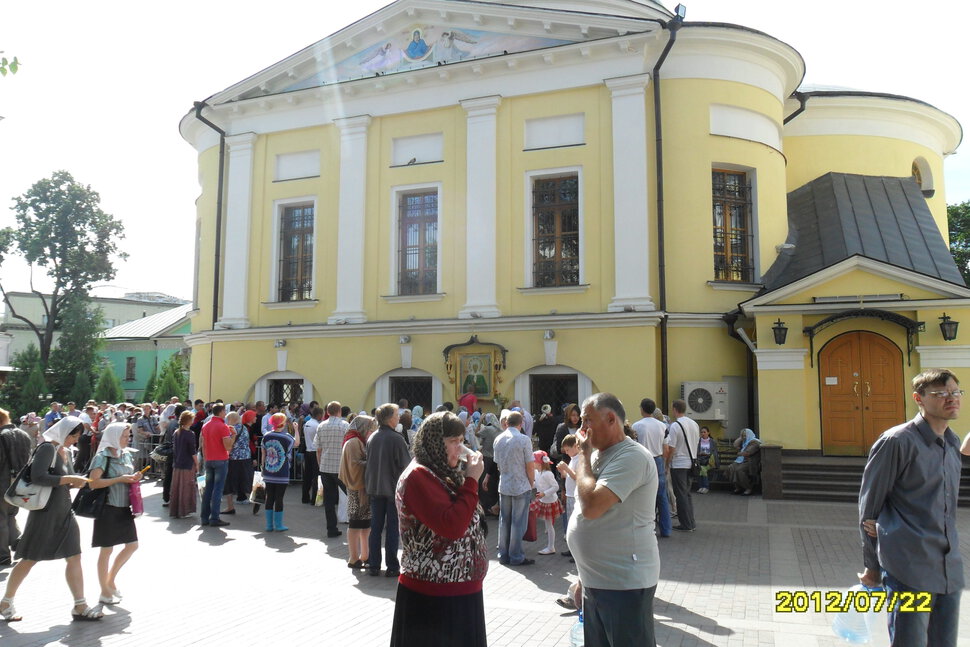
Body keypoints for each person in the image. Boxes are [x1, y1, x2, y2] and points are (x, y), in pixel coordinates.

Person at [859, 368, 964, 647]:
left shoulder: (952, 444)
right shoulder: (897, 441)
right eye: (940, 393)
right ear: (919, 398)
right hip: (909, 568)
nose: (950, 398)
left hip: (948, 569)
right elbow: (869, 509)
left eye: (955, 392)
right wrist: (872, 567)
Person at [566, 393, 660, 647]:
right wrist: (583, 577)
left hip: (624, 585)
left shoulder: (632, 457)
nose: (582, 429)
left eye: (587, 421)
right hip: (598, 582)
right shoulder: (599, 454)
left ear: (610, 419)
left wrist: (583, 457)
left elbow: (592, 507)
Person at [390, 411, 487, 647]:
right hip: (433, 597)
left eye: (462, 441)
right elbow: (451, 525)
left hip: (458, 593)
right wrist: (472, 481)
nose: (460, 449)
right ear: (434, 442)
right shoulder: (418, 476)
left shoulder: (442, 472)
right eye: (453, 442)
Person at [0, 417, 102, 622]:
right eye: (74, 436)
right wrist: (70, 479)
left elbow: (67, 480)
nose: (75, 440)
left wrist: (75, 481)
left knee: (74, 555)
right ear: (65, 432)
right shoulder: (47, 448)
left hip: (63, 511)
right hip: (45, 513)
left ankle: (80, 605)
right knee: (30, 558)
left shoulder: (62, 451)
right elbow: (38, 477)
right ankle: (5, 602)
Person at [87, 421, 143, 605]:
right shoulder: (102, 456)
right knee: (106, 550)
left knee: (132, 545)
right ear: (114, 436)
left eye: (129, 436)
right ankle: (104, 590)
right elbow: (93, 483)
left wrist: (134, 478)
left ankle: (110, 580)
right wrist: (119, 479)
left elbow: (127, 475)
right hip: (108, 506)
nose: (128, 439)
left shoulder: (126, 454)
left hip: (124, 507)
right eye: (125, 436)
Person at [365, 403, 411, 577]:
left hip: (375, 488)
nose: (398, 417)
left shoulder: (373, 437)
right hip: (392, 490)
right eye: (396, 414)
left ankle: (374, 564)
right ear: (389, 418)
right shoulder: (396, 438)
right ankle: (392, 566)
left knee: (375, 528)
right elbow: (406, 466)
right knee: (392, 528)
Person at [493, 410, 535, 566]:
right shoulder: (524, 440)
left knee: (504, 521)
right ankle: (516, 555)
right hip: (520, 484)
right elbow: (529, 465)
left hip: (504, 484)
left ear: (506, 423)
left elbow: (498, 464)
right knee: (518, 522)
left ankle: (503, 554)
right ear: (521, 423)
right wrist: (532, 482)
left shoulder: (498, 439)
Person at [339, 415, 376, 569]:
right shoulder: (354, 442)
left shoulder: (358, 440)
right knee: (355, 525)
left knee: (366, 525)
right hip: (356, 489)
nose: (371, 432)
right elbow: (354, 464)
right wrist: (374, 461)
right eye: (370, 428)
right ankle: (354, 558)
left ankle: (365, 555)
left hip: (362, 489)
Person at [631, 398, 671, 537]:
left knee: (643, 495)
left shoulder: (636, 426)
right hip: (658, 459)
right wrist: (665, 464)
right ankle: (666, 529)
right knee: (662, 496)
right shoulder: (663, 426)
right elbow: (666, 449)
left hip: (643, 460)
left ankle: (645, 528)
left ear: (642, 409)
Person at [0, 409, 32, 567]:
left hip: (2, 483)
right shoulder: (23, 434)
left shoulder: (1, 437)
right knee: (11, 515)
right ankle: (19, 544)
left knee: (2, 519)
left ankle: (3, 555)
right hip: (20, 484)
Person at [315, 401, 349, 538]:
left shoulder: (321, 426)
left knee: (329, 499)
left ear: (328, 412)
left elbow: (318, 448)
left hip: (326, 467)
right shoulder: (345, 426)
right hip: (341, 467)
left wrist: (320, 465)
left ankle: (331, 528)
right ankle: (357, 525)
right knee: (352, 495)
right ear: (339, 411)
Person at [200, 403, 236, 527]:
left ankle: (204, 517)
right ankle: (214, 518)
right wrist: (234, 435)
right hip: (220, 459)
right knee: (218, 490)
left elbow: (203, 444)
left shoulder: (206, 425)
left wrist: (205, 458)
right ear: (221, 412)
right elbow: (228, 446)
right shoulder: (223, 426)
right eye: (224, 412)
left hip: (209, 459)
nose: (225, 414)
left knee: (208, 489)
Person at [665, 399, 699, 532]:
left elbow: (671, 448)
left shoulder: (675, 426)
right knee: (687, 494)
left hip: (679, 464)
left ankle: (686, 524)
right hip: (692, 462)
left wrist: (667, 464)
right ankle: (691, 522)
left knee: (681, 495)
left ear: (674, 409)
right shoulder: (694, 424)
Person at [261, 412, 296, 532]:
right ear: (282, 423)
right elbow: (297, 443)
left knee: (269, 497)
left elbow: (263, 453)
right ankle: (279, 524)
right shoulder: (287, 437)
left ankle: (269, 525)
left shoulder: (266, 436)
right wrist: (296, 429)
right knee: (279, 498)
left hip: (269, 469)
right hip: (282, 471)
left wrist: (263, 467)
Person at [530, 450, 562, 555]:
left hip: (549, 501)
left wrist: (544, 493)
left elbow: (556, 486)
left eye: (533, 461)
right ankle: (550, 545)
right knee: (547, 525)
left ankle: (551, 547)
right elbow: (537, 484)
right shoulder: (537, 473)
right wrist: (529, 485)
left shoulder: (548, 474)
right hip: (543, 500)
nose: (531, 462)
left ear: (539, 463)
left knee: (549, 525)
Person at [169, 410, 199, 519]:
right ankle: (184, 510)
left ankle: (176, 510)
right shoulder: (190, 434)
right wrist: (197, 463)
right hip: (187, 464)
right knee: (186, 487)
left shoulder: (176, 432)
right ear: (188, 421)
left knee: (177, 488)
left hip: (177, 463)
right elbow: (192, 451)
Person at [222, 411, 252, 514]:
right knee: (244, 479)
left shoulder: (231, 429)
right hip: (246, 457)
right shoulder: (244, 428)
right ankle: (246, 498)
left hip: (234, 458)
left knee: (229, 481)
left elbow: (229, 443)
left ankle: (230, 506)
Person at [555, 433, 580, 556]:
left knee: (574, 524)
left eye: (568, 450)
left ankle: (576, 552)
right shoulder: (573, 459)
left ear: (575, 446)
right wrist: (563, 472)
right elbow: (569, 476)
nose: (567, 452)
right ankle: (572, 550)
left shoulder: (579, 459)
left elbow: (577, 477)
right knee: (570, 523)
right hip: (570, 494)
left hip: (575, 496)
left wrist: (566, 469)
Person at [476, 412, 501, 514]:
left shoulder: (487, 429)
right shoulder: (500, 429)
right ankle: (495, 505)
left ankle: (487, 507)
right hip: (496, 459)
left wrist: (480, 422)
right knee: (494, 482)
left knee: (485, 483)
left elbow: (476, 433)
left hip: (487, 458)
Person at [727, 428, 760, 495]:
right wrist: (741, 437)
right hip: (741, 461)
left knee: (739, 470)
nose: (744, 437)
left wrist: (740, 453)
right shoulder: (745, 441)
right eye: (743, 435)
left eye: (745, 435)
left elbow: (747, 453)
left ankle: (748, 488)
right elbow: (735, 445)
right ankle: (738, 487)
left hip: (749, 462)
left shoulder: (755, 442)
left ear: (749, 435)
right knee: (730, 468)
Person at [302, 406, 322, 504]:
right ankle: (314, 499)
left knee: (307, 476)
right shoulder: (317, 426)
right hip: (315, 452)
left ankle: (304, 497)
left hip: (308, 450)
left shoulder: (307, 424)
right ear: (319, 415)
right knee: (316, 476)